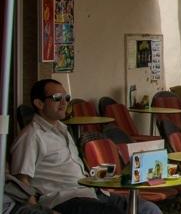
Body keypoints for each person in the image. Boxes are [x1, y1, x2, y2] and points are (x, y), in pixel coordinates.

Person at [11, 79, 161, 214]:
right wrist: (37, 210)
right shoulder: (31, 136)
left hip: (92, 192)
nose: (64, 102)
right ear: (39, 103)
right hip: (64, 199)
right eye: (57, 98)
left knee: (148, 209)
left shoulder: (63, 130)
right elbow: (21, 182)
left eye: (66, 98)